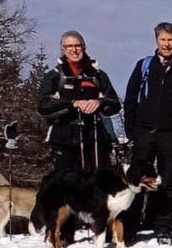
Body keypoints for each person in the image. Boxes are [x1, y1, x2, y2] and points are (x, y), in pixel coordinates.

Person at [123, 22, 172, 245]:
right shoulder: (144, 66)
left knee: (166, 182)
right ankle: (130, 227)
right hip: (143, 132)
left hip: (171, 133)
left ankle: (162, 227)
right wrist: (131, 131)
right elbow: (130, 99)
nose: (167, 44)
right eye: (163, 40)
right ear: (157, 40)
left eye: (171, 40)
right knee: (136, 181)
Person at [38, 30, 122, 171]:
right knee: (67, 185)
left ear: (84, 47)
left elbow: (115, 104)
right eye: (69, 46)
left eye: (77, 45)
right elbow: (43, 106)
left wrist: (99, 103)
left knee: (97, 184)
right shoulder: (54, 76)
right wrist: (72, 104)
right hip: (63, 138)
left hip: (94, 136)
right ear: (63, 50)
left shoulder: (98, 75)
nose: (74, 50)